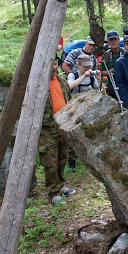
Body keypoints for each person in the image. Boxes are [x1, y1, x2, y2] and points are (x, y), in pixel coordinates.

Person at [40, 60, 76, 204]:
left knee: (63, 158)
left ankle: (60, 186)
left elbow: (69, 101)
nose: (54, 67)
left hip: (63, 127)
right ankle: (53, 193)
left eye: (55, 64)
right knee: (50, 162)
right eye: (51, 64)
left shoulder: (61, 81)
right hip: (47, 129)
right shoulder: (39, 84)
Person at [100, 31, 124, 99]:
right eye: (111, 40)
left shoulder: (124, 53)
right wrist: (109, 73)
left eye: (115, 39)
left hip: (125, 84)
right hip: (112, 85)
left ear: (119, 39)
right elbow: (101, 71)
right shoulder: (106, 55)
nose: (114, 42)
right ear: (108, 41)